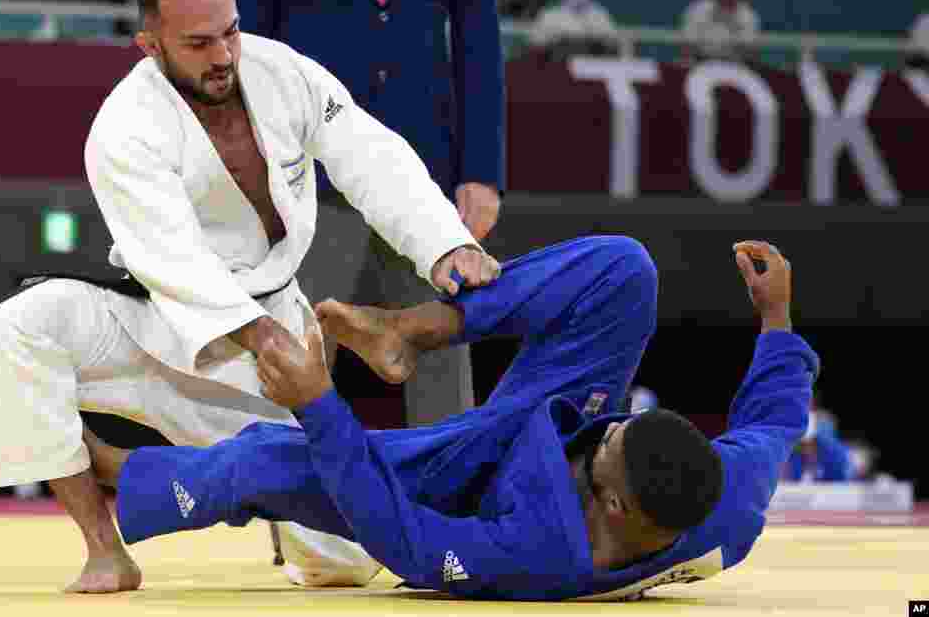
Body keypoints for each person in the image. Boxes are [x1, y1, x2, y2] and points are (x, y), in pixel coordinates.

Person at [0, 0, 500, 595]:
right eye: (198, 43)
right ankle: (103, 546)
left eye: (230, 32)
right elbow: (173, 260)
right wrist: (270, 344)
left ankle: (220, 490)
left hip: (258, 331)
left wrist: (444, 244)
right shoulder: (125, 127)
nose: (222, 55)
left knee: (347, 559)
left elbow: (371, 156)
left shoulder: (284, 74)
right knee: (14, 330)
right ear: (149, 45)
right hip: (149, 318)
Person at [85, 237, 820, 601]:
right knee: (625, 272)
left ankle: (124, 474)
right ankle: (413, 325)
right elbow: (777, 422)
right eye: (621, 422)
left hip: (465, 489)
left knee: (267, 462)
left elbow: (402, 538)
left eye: (611, 442)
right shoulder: (728, 496)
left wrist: (319, 404)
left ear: (616, 501)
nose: (610, 425)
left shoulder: (533, 552)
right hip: (544, 431)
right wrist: (778, 317)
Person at [225, 0, 506, 430]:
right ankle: (271, 489)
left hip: (423, 182)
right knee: (294, 348)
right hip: (309, 180)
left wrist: (482, 173)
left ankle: (448, 488)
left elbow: (477, 46)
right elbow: (243, 50)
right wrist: (251, 173)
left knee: (442, 343)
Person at [681, 0, 761, 64]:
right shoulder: (697, 9)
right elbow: (687, 44)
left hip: (736, 64)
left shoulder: (748, 15)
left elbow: (751, 50)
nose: (727, 0)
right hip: (700, 62)